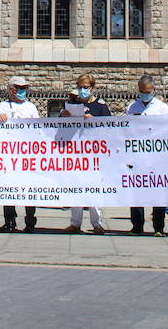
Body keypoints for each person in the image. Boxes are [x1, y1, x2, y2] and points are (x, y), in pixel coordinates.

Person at [62, 74, 111, 234]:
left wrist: (94, 120)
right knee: (76, 186)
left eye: (86, 87)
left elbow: (110, 127)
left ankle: (97, 223)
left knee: (94, 188)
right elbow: (57, 126)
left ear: (92, 88)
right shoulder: (72, 104)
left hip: (94, 154)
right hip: (76, 152)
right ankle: (75, 223)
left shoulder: (101, 106)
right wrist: (64, 116)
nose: (82, 90)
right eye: (80, 87)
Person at [0, 75, 41, 232]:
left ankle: (30, 221)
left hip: (26, 154)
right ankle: (9, 220)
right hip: (9, 154)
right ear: (11, 89)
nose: (22, 91)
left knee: (29, 188)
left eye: (24, 88)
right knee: (9, 188)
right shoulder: (2, 106)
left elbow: (38, 129)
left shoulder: (31, 107)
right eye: (19, 88)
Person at [127, 76, 168, 235]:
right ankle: (137, 225)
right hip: (138, 154)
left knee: (158, 191)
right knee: (137, 190)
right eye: (142, 92)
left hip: (157, 155)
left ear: (153, 90)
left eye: (148, 92)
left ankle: (159, 227)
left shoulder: (162, 108)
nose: (145, 94)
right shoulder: (132, 107)